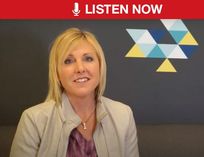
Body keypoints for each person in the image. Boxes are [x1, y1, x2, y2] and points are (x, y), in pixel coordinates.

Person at [10, 28, 139, 157]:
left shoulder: (123, 115)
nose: (80, 68)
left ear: (100, 65)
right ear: (57, 73)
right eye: (68, 61)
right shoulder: (33, 120)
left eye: (88, 59)